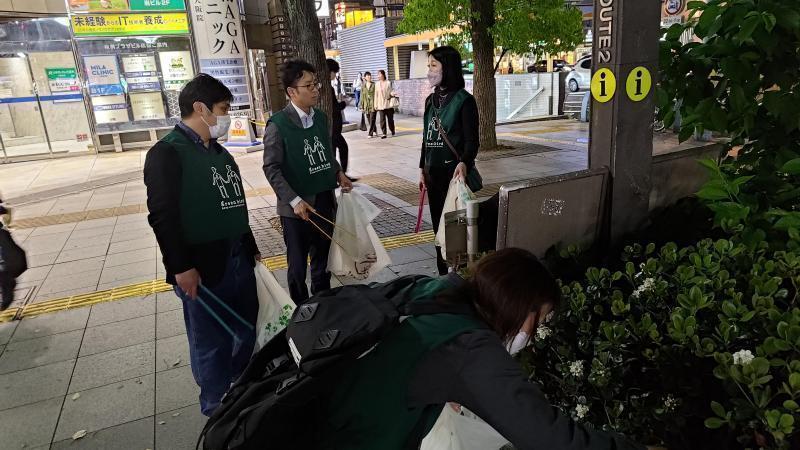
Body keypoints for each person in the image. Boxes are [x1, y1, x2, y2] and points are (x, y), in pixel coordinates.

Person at [318, 248, 647, 450]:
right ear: (520, 307)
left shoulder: (431, 289)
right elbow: (549, 438)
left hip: (325, 413)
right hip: (355, 439)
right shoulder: (471, 350)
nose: (536, 333)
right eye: (540, 320)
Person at [144, 73, 261, 417]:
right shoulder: (166, 153)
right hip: (200, 268)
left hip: (237, 257)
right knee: (210, 341)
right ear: (200, 108)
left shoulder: (221, 152)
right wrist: (181, 268)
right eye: (223, 109)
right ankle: (215, 405)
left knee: (246, 329)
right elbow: (162, 217)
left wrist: (250, 246)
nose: (227, 116)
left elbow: (235, 202)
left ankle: (242, 389)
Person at [263, 59, 353, 302]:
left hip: (323, 198)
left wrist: (338, 173)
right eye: (308, 86)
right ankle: (301, 310)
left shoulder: (321, 118)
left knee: (323, 258)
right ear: (292, 92)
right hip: (297, 208)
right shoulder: (278, 125)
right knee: (297, 265)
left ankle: (322, 305)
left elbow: (324, 151)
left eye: (316, 84)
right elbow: (271, 168)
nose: (315, 90)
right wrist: (293, 200)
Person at [419, 46, 480, 275]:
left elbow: (472, 141)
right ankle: (443, 277)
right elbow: (426, 139)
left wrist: (464, 162)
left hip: (454, 177)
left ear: (448, 68)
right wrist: (421, 169)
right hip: (433, 175)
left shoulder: (464, 101)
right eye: (429, 65)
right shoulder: (430, 101)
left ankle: (459, 276)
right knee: (438, 230)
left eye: (434, 65)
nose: (429, 70)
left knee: (456, 231)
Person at [326, 59, 356, 181]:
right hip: (333, 128)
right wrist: (345, 103)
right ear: (330, 71)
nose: (335, 75)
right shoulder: (328, 88)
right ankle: (339, 176)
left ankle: (341, 175)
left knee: (340, 148)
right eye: (335, 72)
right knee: (336, 150)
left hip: (334, 128)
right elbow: (334, 108)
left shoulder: (328, 87)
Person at [374, 69, 396, 139]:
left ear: (383, 75)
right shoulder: (377, 84)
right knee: (382, 120)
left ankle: (392, 131)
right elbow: (376, 95)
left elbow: (391, 91)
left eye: (380, 74)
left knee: (390, 120)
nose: (379, 76)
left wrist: (393, 93)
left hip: (388, 104)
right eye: (378, 74)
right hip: (380, 105)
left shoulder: (388, 83)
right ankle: (384, 133)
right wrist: (375, 105)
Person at [359, 71, 377, 138]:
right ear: (365, 77)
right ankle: (374, 130)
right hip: (366, 105)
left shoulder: (374, 85)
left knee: (372, 119)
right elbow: (361, 97)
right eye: (368, 76)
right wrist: (361, 106)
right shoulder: (363, 86)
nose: (369, 77)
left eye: (370, 75)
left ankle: (370, 133)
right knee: (369, 119)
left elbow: (377, 94)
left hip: (373, 104)